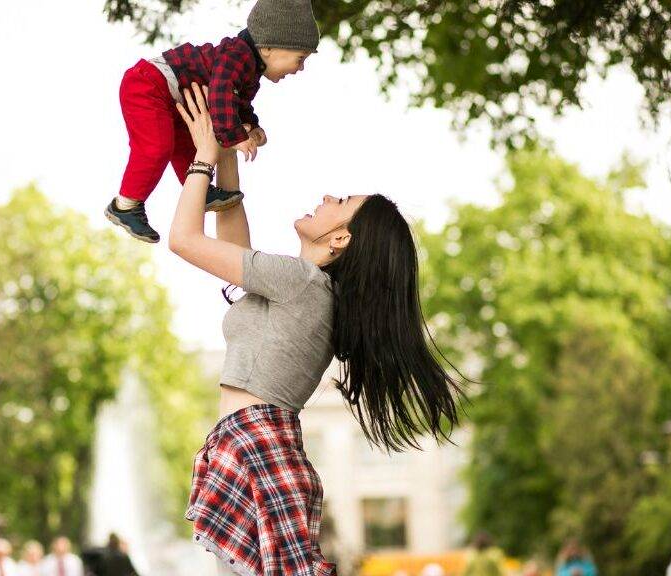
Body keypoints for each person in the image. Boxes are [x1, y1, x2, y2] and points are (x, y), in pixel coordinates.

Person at [169, 84, 463, 575]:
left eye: (341, 200)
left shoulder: (301, 282)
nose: (327, 196)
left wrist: (202, 156)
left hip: (257, 444)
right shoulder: (306, 291)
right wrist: (226, 147)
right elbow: (232, 239)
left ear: (341, 237)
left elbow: (184, 239)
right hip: (254, 444)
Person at [105, 0, 319, 243]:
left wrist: (253, 126)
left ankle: (201, 190)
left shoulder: (250, 68)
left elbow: (239, 103)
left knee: (189, 147)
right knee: (157, 147)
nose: (300, 68)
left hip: (176, 100)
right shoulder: (237, 54)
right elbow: (221, 91)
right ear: (269, 47)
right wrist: (235, 136)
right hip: (149, 85)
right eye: (300, 58)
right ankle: (125, 205)